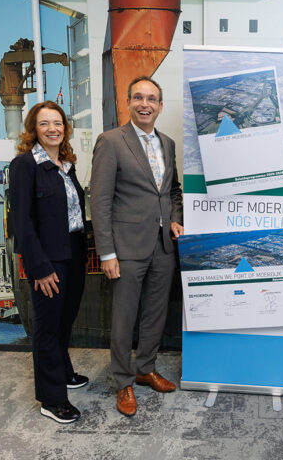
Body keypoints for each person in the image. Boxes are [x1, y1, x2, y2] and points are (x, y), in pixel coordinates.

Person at [90, 75, 183, 417]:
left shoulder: (168, 144)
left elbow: (173, 191)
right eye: (139, 98)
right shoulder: (111, 141)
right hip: (126, 247)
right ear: (128, 103)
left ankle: (145, 368)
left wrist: (174, 218)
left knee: (156, 313)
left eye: (152, 99)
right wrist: (107, 252)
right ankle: (123, 381)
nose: (146, 104)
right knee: (124, 317)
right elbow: (100, 201)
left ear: (160, 106)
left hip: (163, 246)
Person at [9, 100, 88, 424]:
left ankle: (64, 372)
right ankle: (52, 399)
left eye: (57, 123)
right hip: (48, 259)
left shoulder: (66, 164)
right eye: (44, 123)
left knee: (64, 320)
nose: (52, 129)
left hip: (74, 253)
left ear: (65, 128)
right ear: (34, 129)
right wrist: (39, 268)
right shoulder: (24, 165)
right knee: (48, 327)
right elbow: (22, 222)